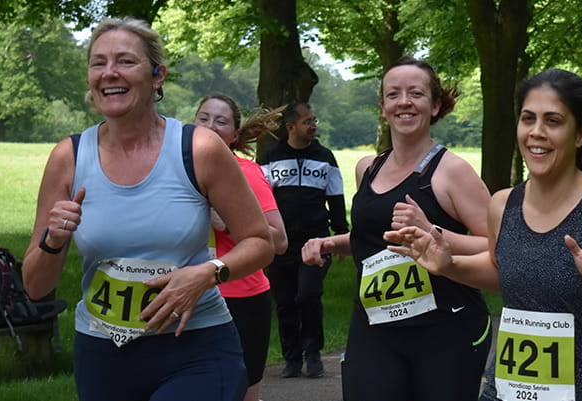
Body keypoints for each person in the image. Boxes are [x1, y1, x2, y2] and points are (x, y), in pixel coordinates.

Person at [21, 17, 274, 401]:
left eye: (125, 61)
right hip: (104, 352)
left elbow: (261, 242)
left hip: (196, 346)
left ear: (158, 76)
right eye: (98, 63)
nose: (110, 73)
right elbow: (36, 287)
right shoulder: (68, 157)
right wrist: (53, 241)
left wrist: (206, 274)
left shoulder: (198, 149)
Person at [384, 68, 582, 401]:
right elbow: (504, 269)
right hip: (507, 391)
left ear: (581, 134)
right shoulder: (502, 204)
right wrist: (449, 265)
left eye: (553, 121)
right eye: (528, 119)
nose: (536, 132)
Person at [299, 56, 492, 400]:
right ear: (383, 107)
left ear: (435, 106)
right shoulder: (368, 168)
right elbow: (376, 239)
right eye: (393, 94)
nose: (404, 102)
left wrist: (431, 231)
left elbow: (498, 245)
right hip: (376, 327)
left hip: (446, 329)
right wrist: (329, 243)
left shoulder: (452, 171)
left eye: (416, 94)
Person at [195, 93, 289, 401]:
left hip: (241, 299)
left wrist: (228, 220)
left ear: (234, 135)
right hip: (189, 294)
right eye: (203, 118)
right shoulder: (178, 172)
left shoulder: (246, 172)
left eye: (220, 121)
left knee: (241, 393)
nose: (210, 126)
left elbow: (279, 241)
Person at [258, 102, 349, 378]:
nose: (313, 126)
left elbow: (336, 198)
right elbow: (259, 200)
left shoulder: (325, 157)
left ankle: (313, 353)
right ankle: (292, 358)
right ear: (290, 127)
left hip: (316, 242)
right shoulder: (270, 158)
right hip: (281, 244)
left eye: (314, 120)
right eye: (307, 121)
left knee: (308, 295)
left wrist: (341, 236)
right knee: (285, 301)